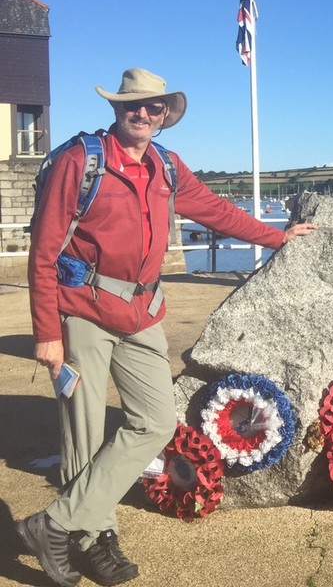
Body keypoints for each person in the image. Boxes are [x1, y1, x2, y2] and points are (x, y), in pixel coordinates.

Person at [18, 68, 317, 586]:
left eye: (154, 107)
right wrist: (47, 331)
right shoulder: (80, 161)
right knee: (84, 436)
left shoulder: (166, 166)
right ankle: (94, 537)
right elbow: (43, 252)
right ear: (117, 109)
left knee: (155, 422)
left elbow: (216, 211)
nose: (143, 113)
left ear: (164, 116)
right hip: (84, 309)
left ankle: (56, 524)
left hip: (142, 313)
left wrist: (276, 237)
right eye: (134, 105)